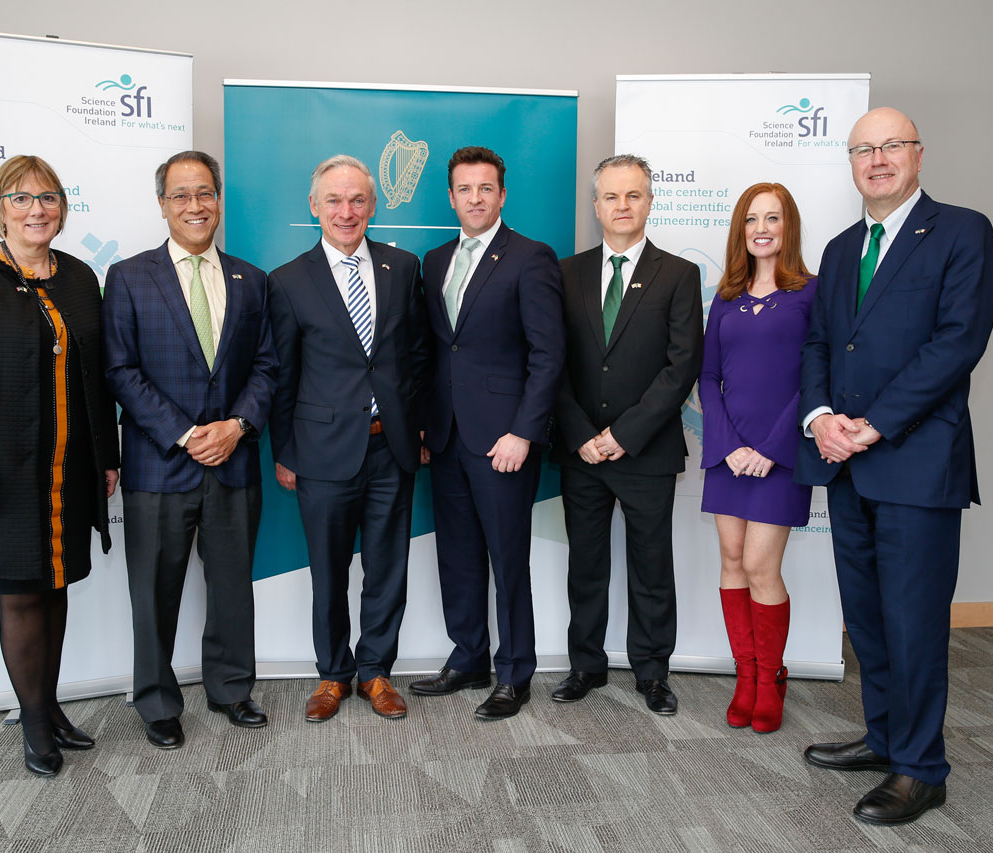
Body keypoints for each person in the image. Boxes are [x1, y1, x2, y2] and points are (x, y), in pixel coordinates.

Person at [796, 108, 993, 824]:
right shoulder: (844, 246)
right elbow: (820, 342)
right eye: (864, 149)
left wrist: (873, 425)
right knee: (872, 616)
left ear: (918, 152)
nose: (877, 159)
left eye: (891, 145)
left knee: (914, 620)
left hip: (915, 461)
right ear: (851, 161)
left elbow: (955, 344)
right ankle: (884, 737)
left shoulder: (962, 231)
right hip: (846, 463)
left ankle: (922, 767)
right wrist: (821, 419)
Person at [0, 155, 120, 777]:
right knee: (20, 591)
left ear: (62, 209)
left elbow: (99, 380)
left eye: (48, 197)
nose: (36, 209)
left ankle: (50, 705)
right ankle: (34, 719)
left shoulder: (78, 276)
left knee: (56, 583)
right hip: (3, 470)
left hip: (71, 464)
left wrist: (108, 459)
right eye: (21, 198)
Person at [103, 151, 278, 749]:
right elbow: (120, 370)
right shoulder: (128, 277)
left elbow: (266, 366)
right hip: (159, 463)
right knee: (154, 591)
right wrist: (184, 433)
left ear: (219, 200)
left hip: (234, 461)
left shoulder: (251, 279)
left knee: (232, 585)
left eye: (205, 193)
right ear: (162, 205)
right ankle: (156, 701)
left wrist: (236, 426)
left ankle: (231, 689)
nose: (195, 206)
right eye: (181, 195)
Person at [269, 155, 429, 723]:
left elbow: (418, 357)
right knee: (329, 572)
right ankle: (333, 675)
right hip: (321, 453)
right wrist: (285, 452)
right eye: (334, 200)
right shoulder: (286, 281)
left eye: (357, 199)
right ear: (314, 207)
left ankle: (376, 672)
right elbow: (282, 374)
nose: (346, 211)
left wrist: (422, 428)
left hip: (393, 447)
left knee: (388, 569)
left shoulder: (403, 267)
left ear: (373, 205)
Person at [408, 146, 565, 720]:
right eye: (464, 189)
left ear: (502, 195)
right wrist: (426, 424)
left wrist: (524, 431)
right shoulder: (434, 259)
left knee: (507, 558)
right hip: (446, 437)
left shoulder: (530, 257)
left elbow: (548, 355)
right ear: (450, 197)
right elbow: (431, 352)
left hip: (504, 441)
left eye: (485, 189)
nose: (475, 199)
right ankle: (468, 655)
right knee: (458, 555)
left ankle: (514, 671)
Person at [550, 154, 702, 715]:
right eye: (611, 197)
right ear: (595, 206)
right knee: (585, 566)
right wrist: (582, 432)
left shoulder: (679, 274)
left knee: (651, 568)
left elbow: (681, 365)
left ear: (650, 201)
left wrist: (624, 433)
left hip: (645, 450)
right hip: (581, 450)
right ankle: (585, 666)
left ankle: (653, 672)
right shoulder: (565, 273)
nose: (621, 206)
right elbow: (551, 363)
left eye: (633, 195)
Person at [700, 182, 817, 734]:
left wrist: (769, 449)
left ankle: (769, 678)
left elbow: (817, 377)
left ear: (788, 226)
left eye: (772, 218)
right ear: (740, 230)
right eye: (751, 219)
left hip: (783, 451)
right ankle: (745, 677)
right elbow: (708, 376)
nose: (761, 228)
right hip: (729, 451)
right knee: (730, 561)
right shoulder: (725, 298)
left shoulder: (812, 294)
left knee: (758, 566)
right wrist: (729, 445)